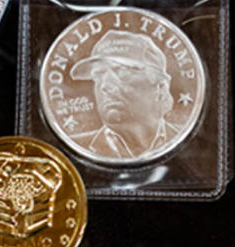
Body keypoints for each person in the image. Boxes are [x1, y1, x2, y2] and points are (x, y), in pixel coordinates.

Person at [69, 30, 181, 160]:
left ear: (160, 86)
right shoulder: (77, 147)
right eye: (98, 76)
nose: (105, 86)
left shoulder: (186, 142)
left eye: (122, 72)